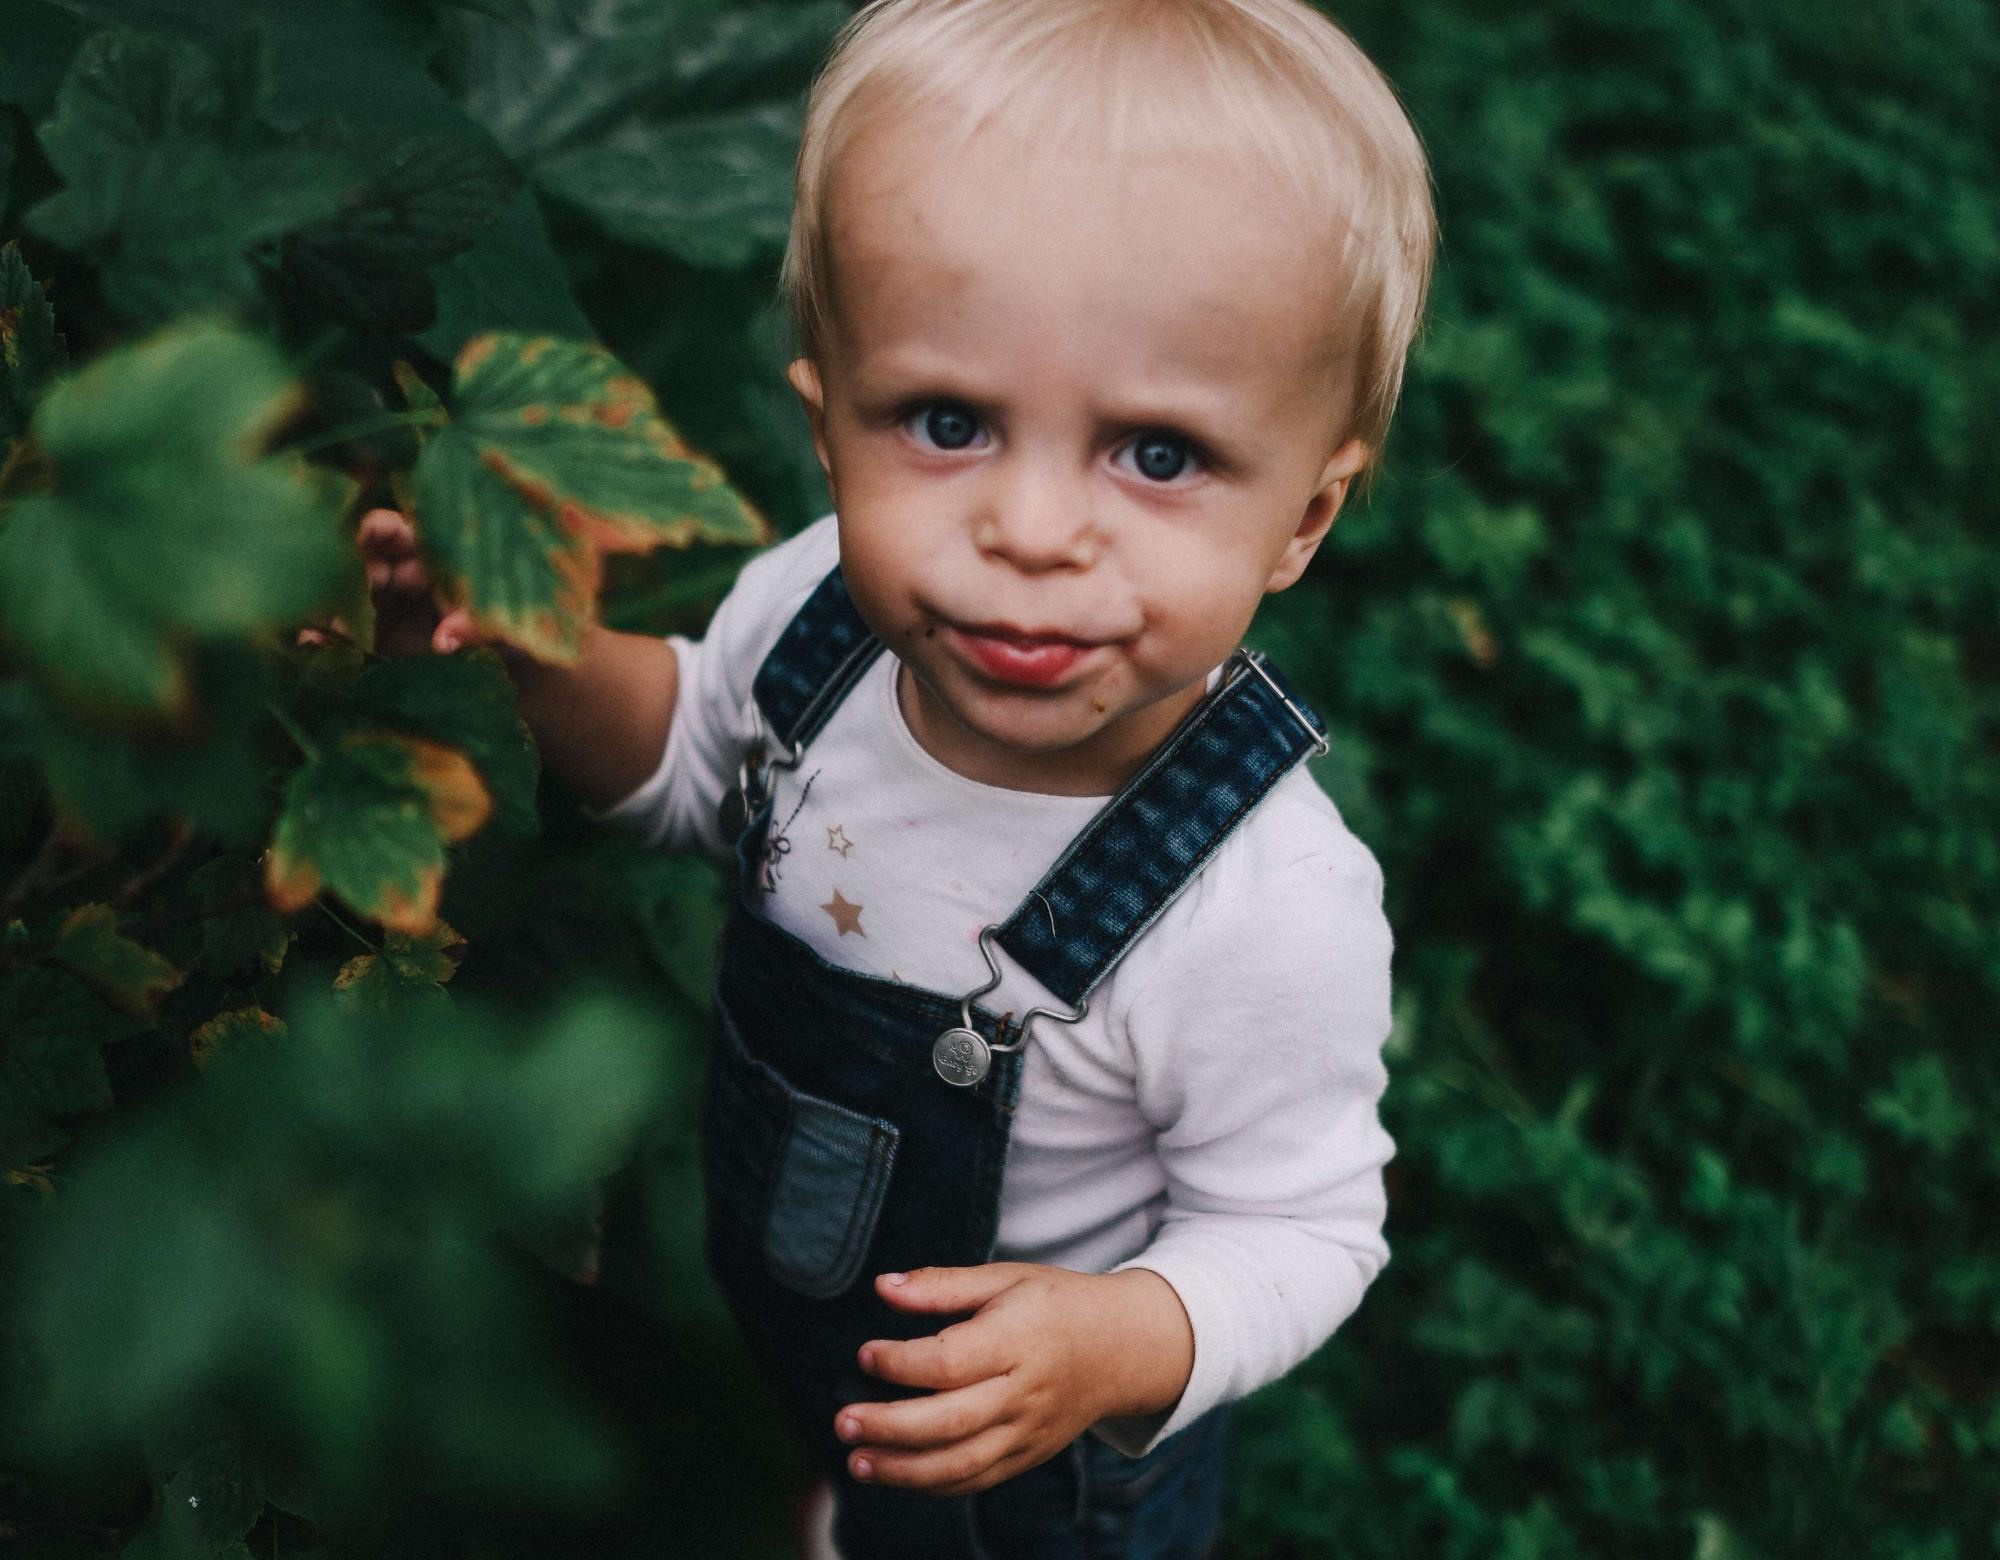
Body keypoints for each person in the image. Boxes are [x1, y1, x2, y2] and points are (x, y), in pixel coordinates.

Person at [360, 0, 1434, 1552]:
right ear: (827, 431)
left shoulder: (1257, 908)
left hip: (1052, 1457)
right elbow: (678, 763)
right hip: (827, 1339)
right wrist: (538, 652)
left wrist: (1109, 1347)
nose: (1036, 530)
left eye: (1156, 454)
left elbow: (1305, 1226)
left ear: (1306, 518)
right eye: (948, 423)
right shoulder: (816, 616)